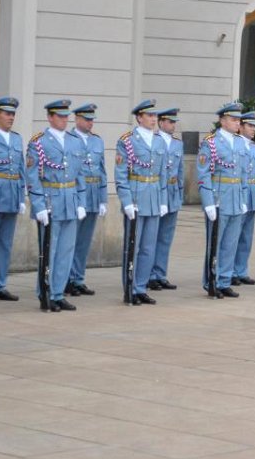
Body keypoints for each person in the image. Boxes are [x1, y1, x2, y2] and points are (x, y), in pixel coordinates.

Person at [26, 99, 88, 312]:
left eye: (65, 116)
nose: (63, 119)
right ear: (50, 117)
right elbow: (33, 177)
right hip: (50, 200)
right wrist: (38, 204)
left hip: (70, 199)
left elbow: (80, 174)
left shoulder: (75, 141)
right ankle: (45, 291)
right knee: (49, 250)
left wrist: (82, 202)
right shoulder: (39, 142)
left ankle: (58, 293)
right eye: (59, 116)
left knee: (66, 250)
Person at [115, 99, 169, 305]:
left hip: (154, 197)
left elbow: (163, 173)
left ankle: (140, 287)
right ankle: (129, 287)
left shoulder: (159, 141)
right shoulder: (127, 141)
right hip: (136, 196)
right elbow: (121, 175)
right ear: (139, 117)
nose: (153, 119)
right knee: (133, 246)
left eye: (155, 116)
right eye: (149, 116)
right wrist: (127, 201)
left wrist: (163, 199)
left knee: (148, 247)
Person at [197, 101, 248, 298]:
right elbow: (203, 175)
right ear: (223, 120)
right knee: (215, 242)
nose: (237, 123)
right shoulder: (211, 143)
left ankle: (224, 280)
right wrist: (208, 202)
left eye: (238, 120)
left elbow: (242, 173)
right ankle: (211, 280)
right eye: (234, 119)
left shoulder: (239, 142)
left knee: (231, 243)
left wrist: (243, 197)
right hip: (219, 197)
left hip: (235, 196)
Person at [0, 96, 26, 301]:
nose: (11, 117)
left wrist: (22, 196)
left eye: (13, 114)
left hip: (12, 194)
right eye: (7, 114)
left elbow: (21, 168)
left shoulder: (17, 138)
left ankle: (0, 283)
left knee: (5, 242)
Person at [69, 103, 107, 297]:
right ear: (77, 119)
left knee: (84, 242)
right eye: (86, 119)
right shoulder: (70, 139)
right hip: (76, 195)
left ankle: (78, 278)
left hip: (92, 194)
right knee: (70, 241)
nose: (90, 122)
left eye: (92, 119)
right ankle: (66, 278)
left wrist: (103, 199)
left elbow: (102, 171)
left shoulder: (97, 141)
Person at [149, 108, 182, 291]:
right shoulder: (155, 141)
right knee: (152, 236)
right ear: (161, 123)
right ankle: (149, 275)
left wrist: (180, 193)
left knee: (165, 238)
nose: (173, 125)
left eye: (174, 122)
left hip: (172, 192)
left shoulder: (177, 144)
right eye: (170, 121)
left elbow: (181, 171)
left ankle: (160, 273)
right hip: (157, 193)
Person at [233, 110, 255, 286]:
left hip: (251, 193)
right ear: (240, 127)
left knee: (246, 236)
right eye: (250, 126)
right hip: (239, 192)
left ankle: (241, 270)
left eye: (254, 127)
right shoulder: (235, 144)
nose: (253, 130)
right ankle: (230, 272)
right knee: (234, 235)